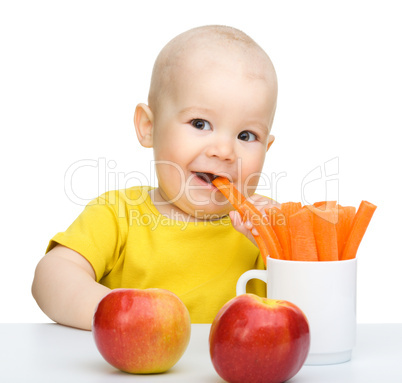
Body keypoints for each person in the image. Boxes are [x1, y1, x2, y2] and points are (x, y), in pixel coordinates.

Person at [32, 25, 278, 330]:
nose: (224, 150)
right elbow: (52, 275)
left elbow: (309, 312)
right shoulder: (117, 214)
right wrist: (117, 316)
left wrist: (279, 252)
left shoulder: (267, 229)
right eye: (200, 123)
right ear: (149, 126)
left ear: (267, 148)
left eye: (246, 135)